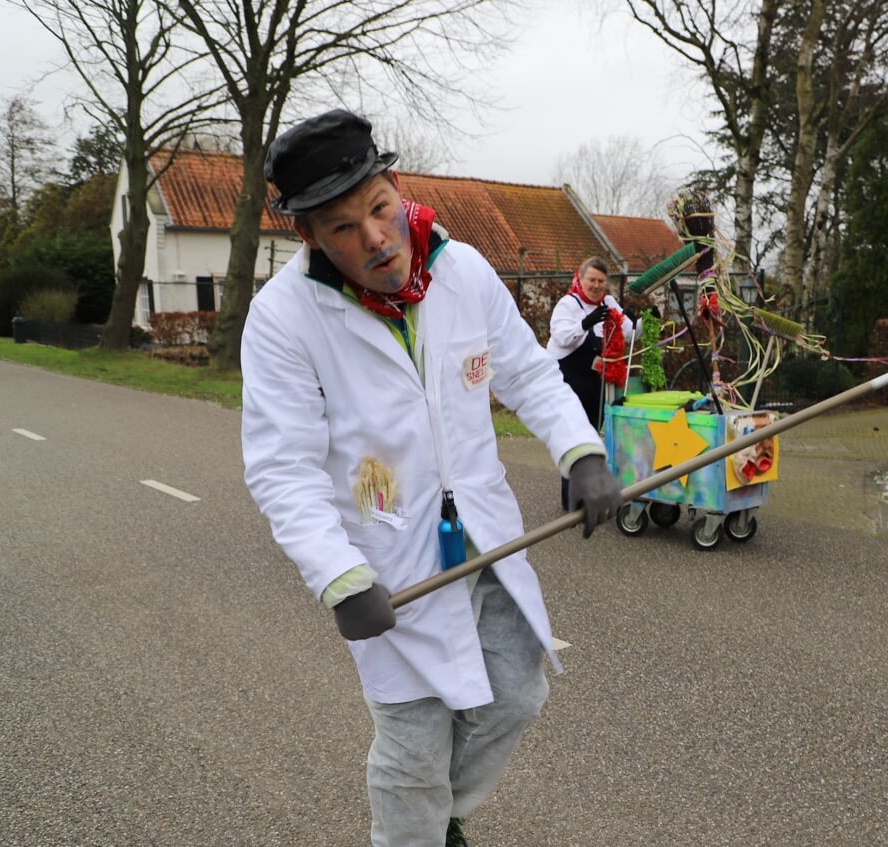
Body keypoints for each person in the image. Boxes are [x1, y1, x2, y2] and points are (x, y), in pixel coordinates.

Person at [239, 109, 622, 847]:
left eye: (379, 209)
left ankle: (445, 818)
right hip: (387, 556)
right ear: (308, 235)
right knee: (414, 747)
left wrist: (582, 451)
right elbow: (281, 466)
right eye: (344, 228)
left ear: (396, 188)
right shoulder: (284, 319)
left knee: (515, 696)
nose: (375, 239)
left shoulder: (463, 270)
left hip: (484, 538)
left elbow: (530, 375)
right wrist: (338, 576)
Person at [546, 257, 636, 509]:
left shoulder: (608, 302)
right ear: (581, 279)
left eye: (601, 282)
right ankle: (572, 500)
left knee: (593, 439)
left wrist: (642, 321)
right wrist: (587, 322)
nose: (596, 286)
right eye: (592, 280)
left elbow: (628, 331)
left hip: (597, 383)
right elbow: (561, 337)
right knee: (573, 439)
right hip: (569, 381)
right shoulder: (569, 304)